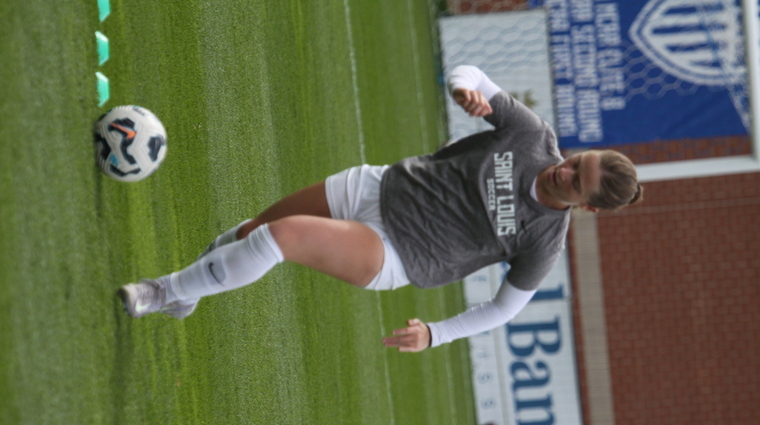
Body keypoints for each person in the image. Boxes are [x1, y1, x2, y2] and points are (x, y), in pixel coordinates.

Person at [118, 65, 642, 352]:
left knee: (280, 238)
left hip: (398, 252)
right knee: (254, 228)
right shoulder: (533, 136)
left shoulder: (544, 241)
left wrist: (437, 334)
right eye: (579, 161)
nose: (566, 171)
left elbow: (506, 309)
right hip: (376, 186)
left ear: (587, 208)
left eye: (579, 182)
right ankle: (187, 294)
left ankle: (161, 290)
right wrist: (465, 88)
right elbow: (474, 74)